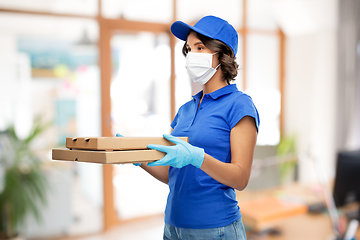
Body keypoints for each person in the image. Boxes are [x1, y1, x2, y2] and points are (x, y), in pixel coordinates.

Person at [137, 15, 259, 240]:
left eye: (200, 47)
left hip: (215, 229)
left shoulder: (239, 105)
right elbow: (171, 173)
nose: (192, 55)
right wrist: (135, 157)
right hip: (173, 227)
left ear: (224, 54)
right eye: (189, 49)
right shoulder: (185, 109)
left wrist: (198, 157)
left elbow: (241, 178)